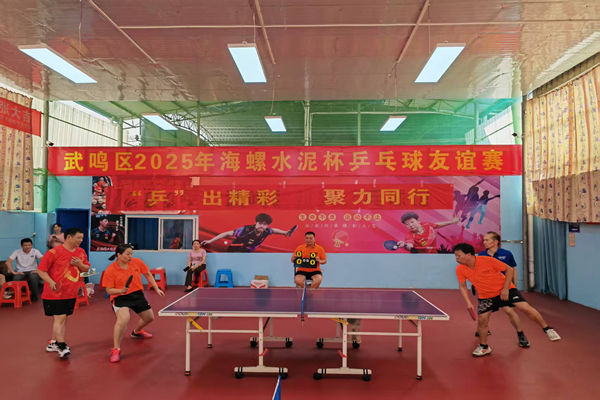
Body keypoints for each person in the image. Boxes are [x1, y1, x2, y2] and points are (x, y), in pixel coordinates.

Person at [453, 242, 561, 357]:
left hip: (505, 290)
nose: (456, 258)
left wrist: (505, 289)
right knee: (482, 320)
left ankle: (547, 329)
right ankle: (484, 347)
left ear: (469, 254)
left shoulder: (487, 260)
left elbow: (509, 269)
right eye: (455, 256)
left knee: (524, 307)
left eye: (459, 255)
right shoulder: (460, 269)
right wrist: (468, 303)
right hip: (486, 296)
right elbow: (462, 286)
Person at [102, 244, 165, 363]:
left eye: (131, 254)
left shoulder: (137, 262)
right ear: (119, 255)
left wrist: (156, 288)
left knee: (149, 318)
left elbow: (147, 274)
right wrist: (120, 291)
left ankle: (137, 332)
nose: (130, 256)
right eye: (127, 254)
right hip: (120, 297)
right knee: (123, 320)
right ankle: (116, 349)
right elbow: (109, 290)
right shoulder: (111, 270)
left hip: (137, 294)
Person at [36, 228, 90, 359]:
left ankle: (53, 343)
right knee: (59, 317)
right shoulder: (53, 252)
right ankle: (62, 345)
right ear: (69, 237)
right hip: (55, 292)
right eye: (78, 238)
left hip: (70, 292)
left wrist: (80, 264)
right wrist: (50, 281)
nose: (81, 240)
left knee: (63, 318)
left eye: (82, 238)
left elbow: (86, 269)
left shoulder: (81, 252)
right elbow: (41, 270)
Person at [202, 213, 295, 252]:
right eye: (260, 223)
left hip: (247, 251)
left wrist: (285, 232)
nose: (262, 226)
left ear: (267, 226)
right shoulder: (245, 230)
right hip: (234, 250)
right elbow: (225, 233)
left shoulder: (266, 231)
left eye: (265, 224)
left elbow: (274, 230)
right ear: (256, 223)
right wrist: (210, 241)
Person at [395, 212, 459, 253]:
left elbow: (437, 225)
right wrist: (405, 245)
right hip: (422, 258)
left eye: (412, 222)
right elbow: (410, 245)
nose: (410, 225)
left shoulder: (426, 225)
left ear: (418, 221)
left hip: (435, 254)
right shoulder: (410, 235)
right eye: (407, 224)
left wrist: (452, 222)